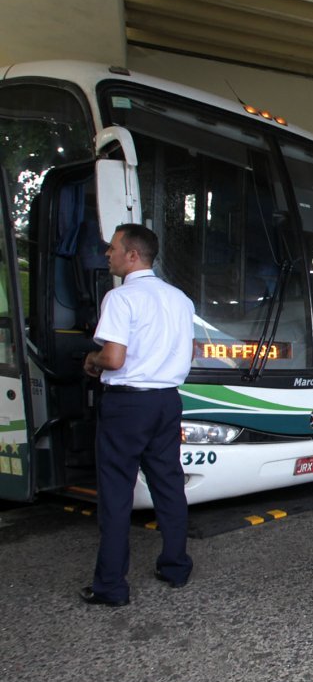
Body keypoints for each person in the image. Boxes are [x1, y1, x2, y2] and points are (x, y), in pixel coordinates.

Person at [80, 224, 195, 606]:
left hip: (127, 404)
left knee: (115, 493)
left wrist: (92, 361)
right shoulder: (180, 299)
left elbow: (114, 358)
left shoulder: (121, 298)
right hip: (167, 400)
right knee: (168, 484)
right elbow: (189, 353)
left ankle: (111, 586)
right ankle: (175, 567)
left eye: (112, 249)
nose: (107, 254)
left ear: (132, 255)